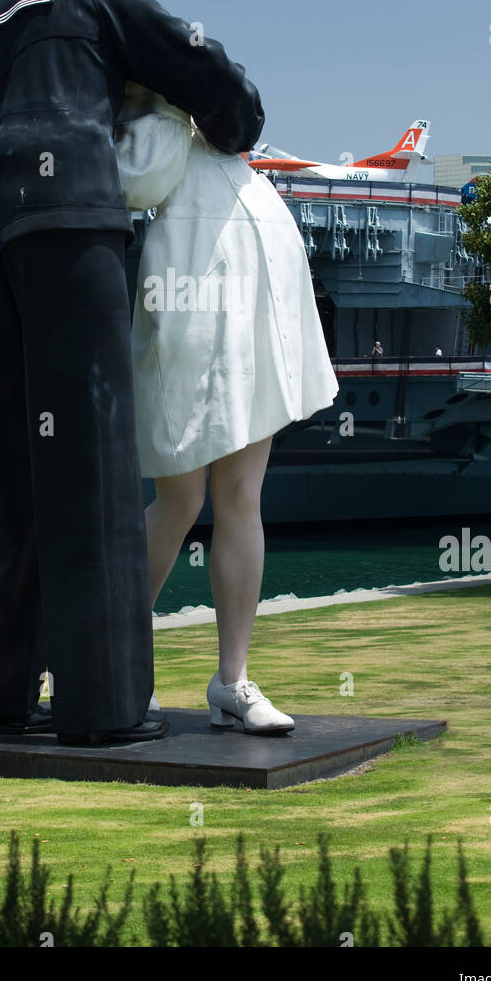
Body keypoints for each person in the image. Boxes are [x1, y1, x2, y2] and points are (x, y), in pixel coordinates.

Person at [0, 0, 264, 745]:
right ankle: (105, 703)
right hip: (72, 224)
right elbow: (203, 66)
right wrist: (235, 121)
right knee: (97, 461)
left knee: (18, 467)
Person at [115, 103, 338, 734]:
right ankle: (116, 660)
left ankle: (233, 679)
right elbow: (134, 183)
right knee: (180, 499)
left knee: (241, 497)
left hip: (252, 313)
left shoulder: (224, 142)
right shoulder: (168, 128)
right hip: (198, 310)